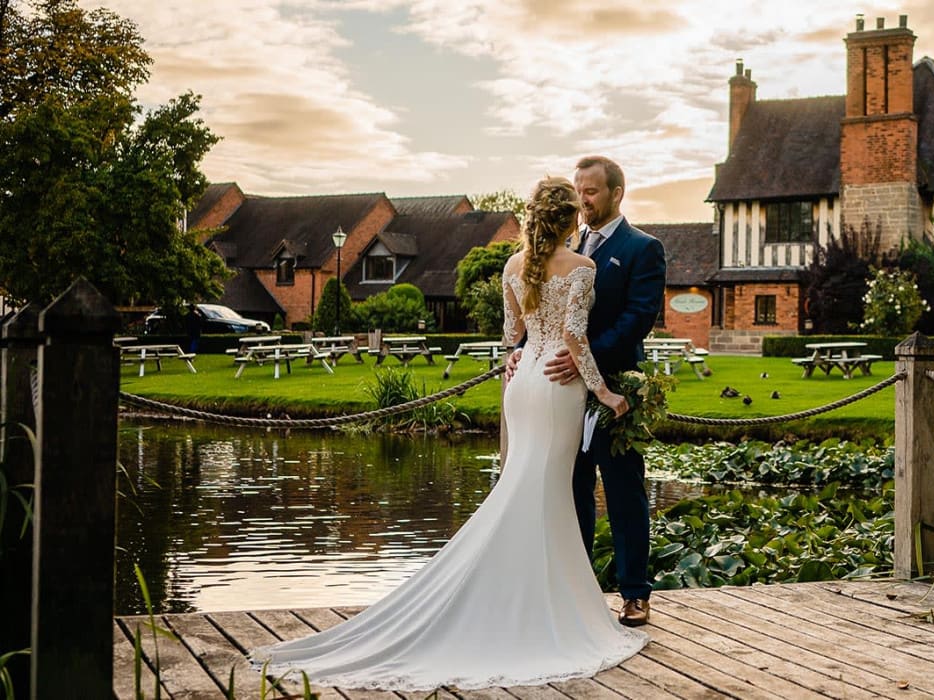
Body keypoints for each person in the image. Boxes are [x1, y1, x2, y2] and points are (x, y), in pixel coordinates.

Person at [251, 177, 646, 691]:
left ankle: (523, 596)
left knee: (526, 490)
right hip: (556, 389)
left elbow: (511, 339)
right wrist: (608, 395)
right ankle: (538, 607)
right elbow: (572, 340)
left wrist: (516, 357)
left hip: (523, 385)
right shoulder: (582, 268)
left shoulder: (512, 265)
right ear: (570, 219)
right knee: (544, 494)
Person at [511, 155, 666, 627]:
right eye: (579, 189)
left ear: (617, 193)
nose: (583, 198)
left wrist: (582, 359)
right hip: (556, 391)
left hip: (611, 385)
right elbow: (540, 308)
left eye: (592, 190)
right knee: (568, 492)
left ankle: (635, 593)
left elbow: (637, 319)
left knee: (623, 492)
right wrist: (523, 349)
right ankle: (576, 593)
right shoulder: (560, 245)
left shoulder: (643, 248)